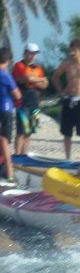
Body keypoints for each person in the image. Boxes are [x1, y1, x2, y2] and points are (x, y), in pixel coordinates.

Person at [12, 42, 47, 156]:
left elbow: (45, 84)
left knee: (30, 131)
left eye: (35, 53)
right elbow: (27, 78)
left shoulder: (38, 68)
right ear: (25, 53)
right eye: (31, 53)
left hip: (34, 102)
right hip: (23, 103)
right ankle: (17, 156)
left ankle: (24, 154)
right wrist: (39, 80)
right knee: (21, 131)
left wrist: (33, 80)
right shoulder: (19, 65)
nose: (33, 56)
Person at [0, 50, 22, 183]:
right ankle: (10, 174)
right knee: (4, 141)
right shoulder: (5, 75)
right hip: (5, 109)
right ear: (7, 61)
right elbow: (17, 95)